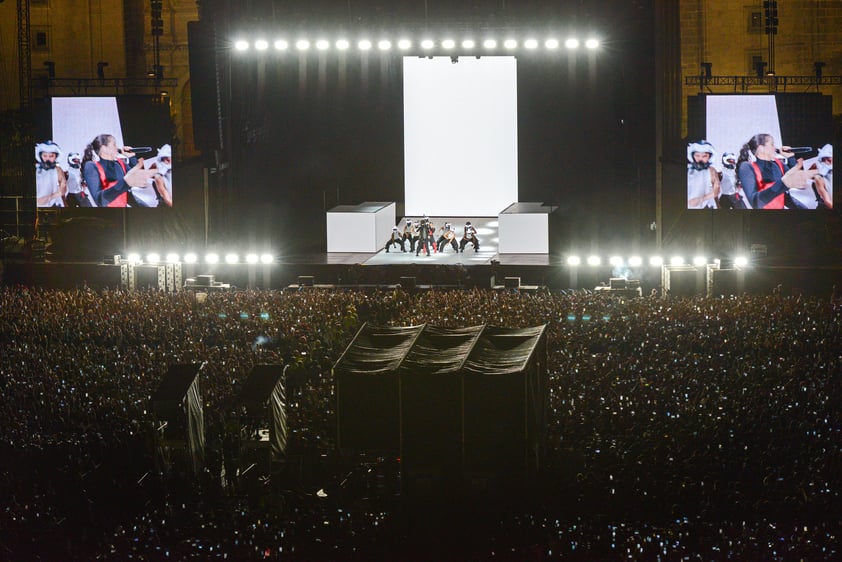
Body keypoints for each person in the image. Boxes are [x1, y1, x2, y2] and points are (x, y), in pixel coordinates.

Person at [735, 133, 819, 210]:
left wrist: (790, 157)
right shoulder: (747, 167)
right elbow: (755, 203)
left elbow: (798, 180)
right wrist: (783, 184)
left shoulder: (778, 164)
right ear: (761, 148)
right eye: (772, 144)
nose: (775, 148)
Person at [81, 134, 156, 207]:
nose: (117, 148)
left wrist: (131, 157)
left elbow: (137, 177)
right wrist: (125, 183)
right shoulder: (91, 166)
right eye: (114, 145)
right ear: (104, 148)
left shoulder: (120, 163)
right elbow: (100, 201)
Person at [686, 140, 719, 209]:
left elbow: (716, 190)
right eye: (697, 155)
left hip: (706, 206)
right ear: (692, 156)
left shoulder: (711, 170)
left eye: (704, 156)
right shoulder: (688, 170)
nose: (700, 159)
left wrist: (701, 199)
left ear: (709, 157)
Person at [35, 141, 66, 207]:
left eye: (51, 156)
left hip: (54, 205)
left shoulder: (58, 170)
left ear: (56, 157)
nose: (47, 159)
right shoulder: (36, 170)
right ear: (40, 156)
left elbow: (63, 188)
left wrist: (50, 197)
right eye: (45, 156)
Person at [812, 144, 832, 209]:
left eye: (829, 160)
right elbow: (827, 201)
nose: (826, 162)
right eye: (823, 160)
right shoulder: (819, 178)